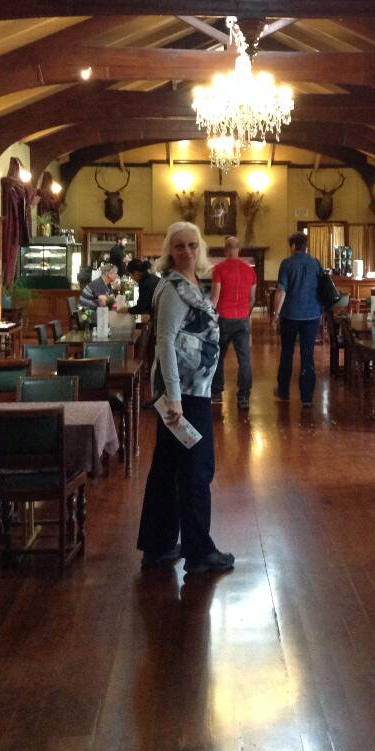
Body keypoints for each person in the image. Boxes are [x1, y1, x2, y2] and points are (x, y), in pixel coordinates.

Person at [137, 221, 234, 575]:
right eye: (179, 246)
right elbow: (164, 343)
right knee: (196, 469)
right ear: (169, 251)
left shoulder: (191, 283)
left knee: (168, 466)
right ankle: (198, 552)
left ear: (201, 248)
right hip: (184, 395)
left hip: (191, 390)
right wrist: (175, 398)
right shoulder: (174, 289)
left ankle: (159, 545)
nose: (187, 252)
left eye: (193, 245)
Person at [272, 231, 323, 408]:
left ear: (293, 246)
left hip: (290, 315)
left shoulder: (287, 263)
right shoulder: (315, 263)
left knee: (287, 353)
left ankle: (284, 391)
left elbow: (281, 291)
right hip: (312, 315)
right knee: (307, 355)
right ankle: (307, 397)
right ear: (306, 246)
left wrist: (275, 315)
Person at [210, 236, 257, 410]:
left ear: (225, 250)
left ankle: (216, 393)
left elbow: (214, 298)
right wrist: (245, 314)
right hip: (242, 319)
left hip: (223, 318)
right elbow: (252, 298)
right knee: (244, 360)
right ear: (239, 249)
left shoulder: (219, 269)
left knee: (218, 357)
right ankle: (244, 397)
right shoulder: (250, 270)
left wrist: (210, 316)